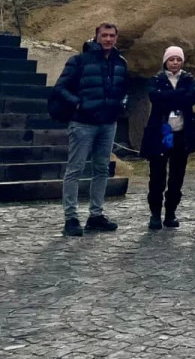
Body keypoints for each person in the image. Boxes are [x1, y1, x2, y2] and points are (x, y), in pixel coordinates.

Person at [54, 22, 130, 236]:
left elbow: (125, 88)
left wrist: (121, 104)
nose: (108, 39)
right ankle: (70, 218)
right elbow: (61, 88)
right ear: (96, 37)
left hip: (108, 123)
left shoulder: (120, 62)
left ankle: (96, 215)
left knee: (101, 169)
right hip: (83, 123)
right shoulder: (79, 61)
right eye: (104, 35)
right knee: (75, 169)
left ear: (116, 37)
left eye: (112, 35)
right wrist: (78, 104)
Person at [141, 45, 195, 230]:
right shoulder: (157, 79)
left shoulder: (188, 79)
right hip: (161, 133)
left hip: (181, 133)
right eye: (172, 59)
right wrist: (177, 96)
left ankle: (171, 212)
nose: (175, 62)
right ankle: (155, 213)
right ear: (166, 61)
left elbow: (191, 98)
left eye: (178, 59)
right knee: (157, 176)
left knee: (177, 176)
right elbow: (155, 98)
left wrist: (168, 97)